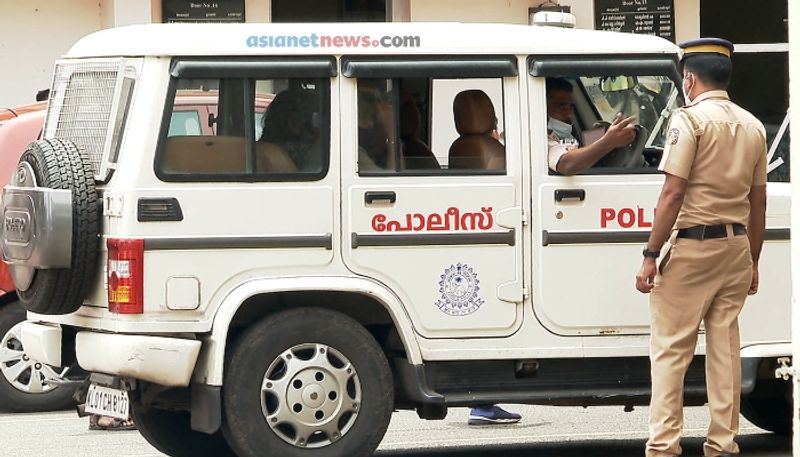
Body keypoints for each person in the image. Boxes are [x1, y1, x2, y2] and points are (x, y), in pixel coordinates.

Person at [635, 38, 767, 457]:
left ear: (689, 78)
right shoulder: (753, 125)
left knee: (672, 350)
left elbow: (673, 193)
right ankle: (723, 445)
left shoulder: (688, 121)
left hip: (692, 248)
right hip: (736, 248)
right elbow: (757, 202)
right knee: (725, 350)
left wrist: (651, 254)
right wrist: (753, 260)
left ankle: (664, 446)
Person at [546, 77, 636, 175]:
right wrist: (608, 142)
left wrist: (610, 132)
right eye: (561, 106)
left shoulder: (566, 135)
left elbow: (579, 146)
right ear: (543, 106)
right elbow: (566, 164)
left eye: (571, 107)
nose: (569, 114)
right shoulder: (540, 141)